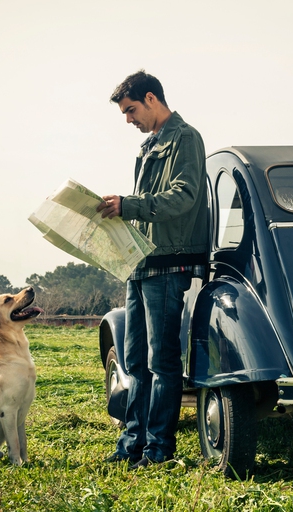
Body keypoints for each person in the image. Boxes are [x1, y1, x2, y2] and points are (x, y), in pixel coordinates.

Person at [96, 70, 208, 469]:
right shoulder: (149, 147)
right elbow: (146, 204)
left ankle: (159, 448)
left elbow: (183, 197)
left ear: (151, 98)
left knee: (163, 362)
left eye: (130, 110)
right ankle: (131, 445)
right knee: (135, 361)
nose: (128, 120)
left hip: (167, 264)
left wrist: (130, 205)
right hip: (140, 266)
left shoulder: (186, 139)